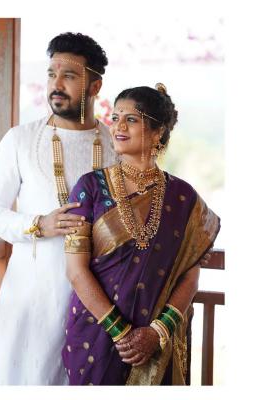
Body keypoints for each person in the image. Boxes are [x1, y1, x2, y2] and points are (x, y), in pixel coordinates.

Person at [0, 32, 117, 385]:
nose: (56, 84)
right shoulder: (20, 139)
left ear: (95, 85)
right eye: (52, 74)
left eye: (68, 76)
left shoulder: (115, 145)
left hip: (98, 302)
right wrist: (38, 224)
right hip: (32, 298)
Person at [62, 84, 220, 385]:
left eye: (131, 119)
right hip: (95, 333)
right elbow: (75, 271)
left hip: (158, 338)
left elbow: (190, 275)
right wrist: (121, 332)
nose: (118, 126)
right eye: (115, 117)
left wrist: (157, 332)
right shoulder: (90, 188)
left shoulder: (184, 198)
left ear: (158, 132)